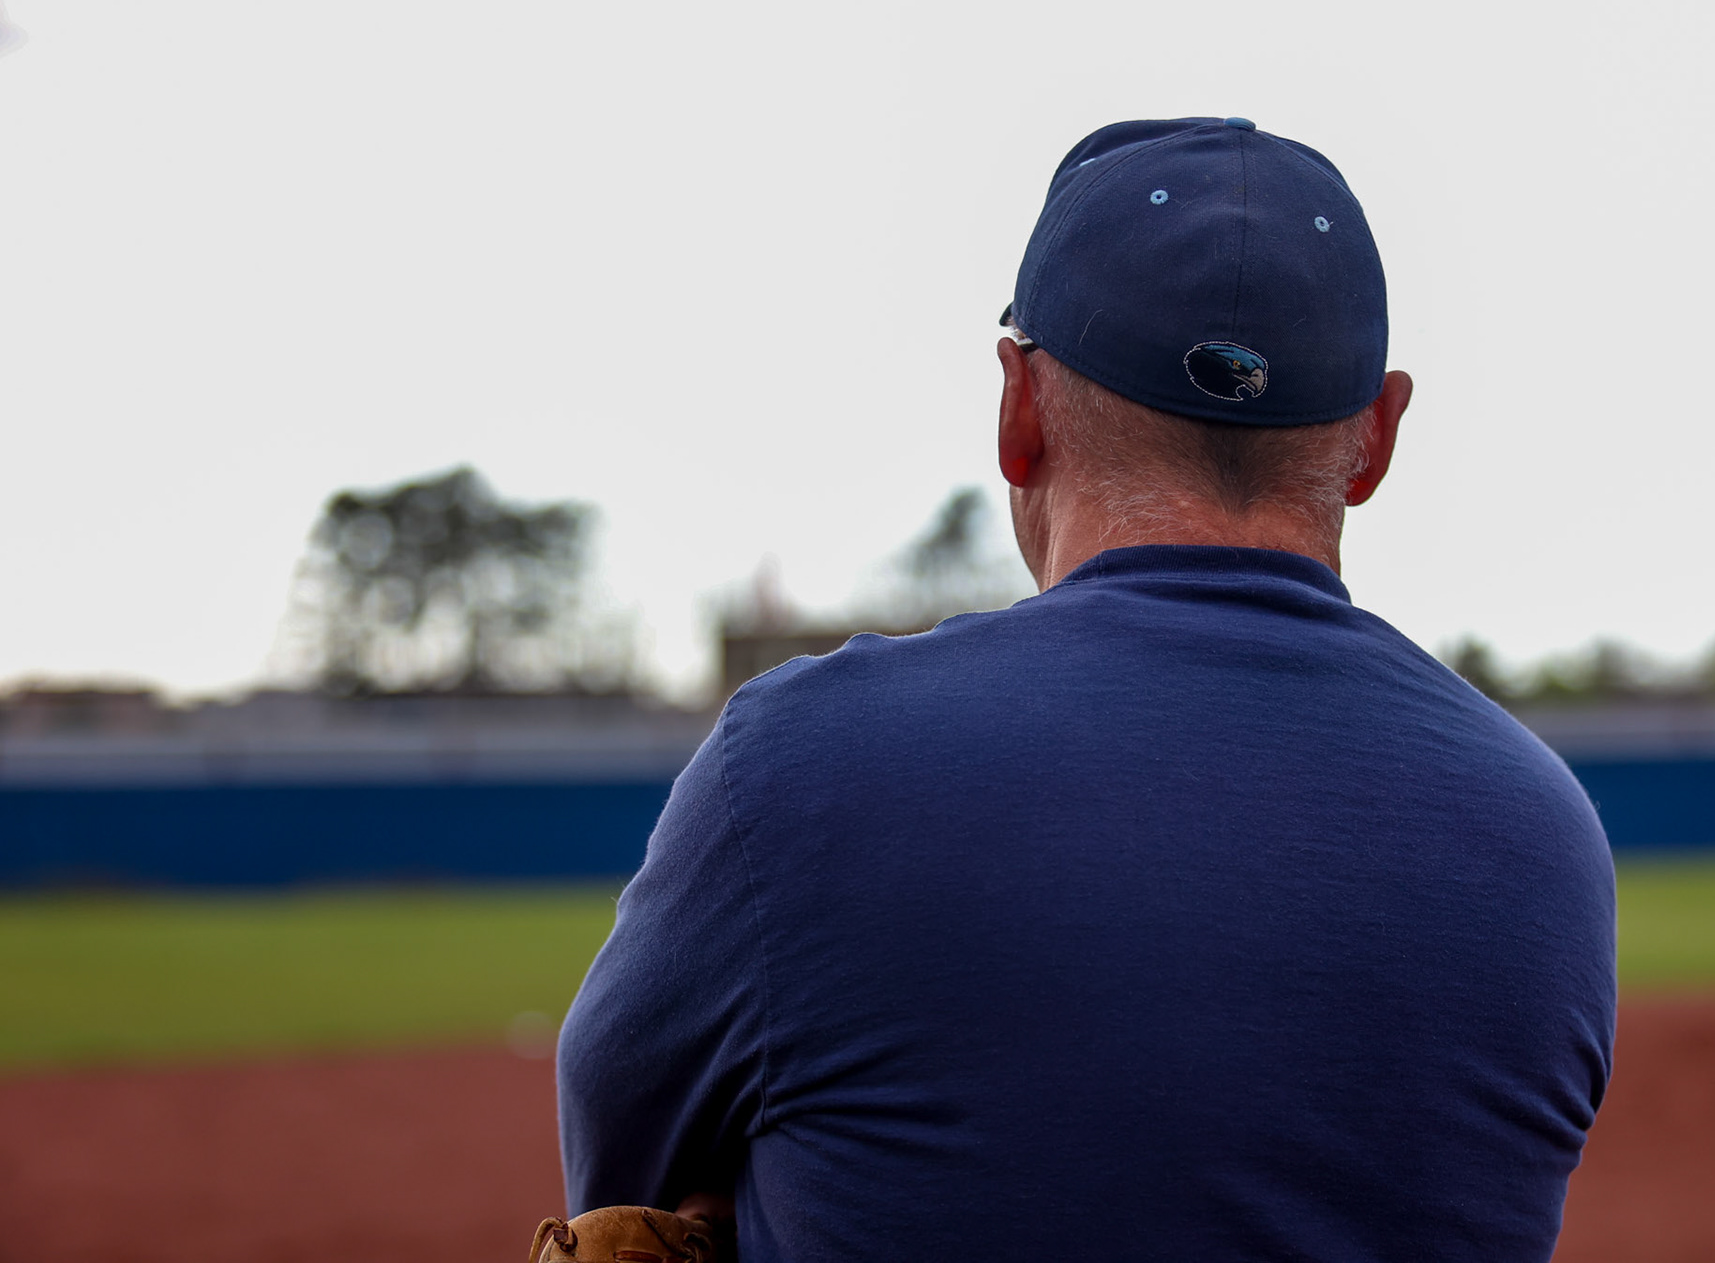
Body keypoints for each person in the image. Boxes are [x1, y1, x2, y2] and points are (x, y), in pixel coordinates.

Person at [558, 117, 1615, 1262]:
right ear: (1376, 436)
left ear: (1018, 410)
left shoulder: (799, 767)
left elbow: (627, 1175)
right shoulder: (1542, 830)